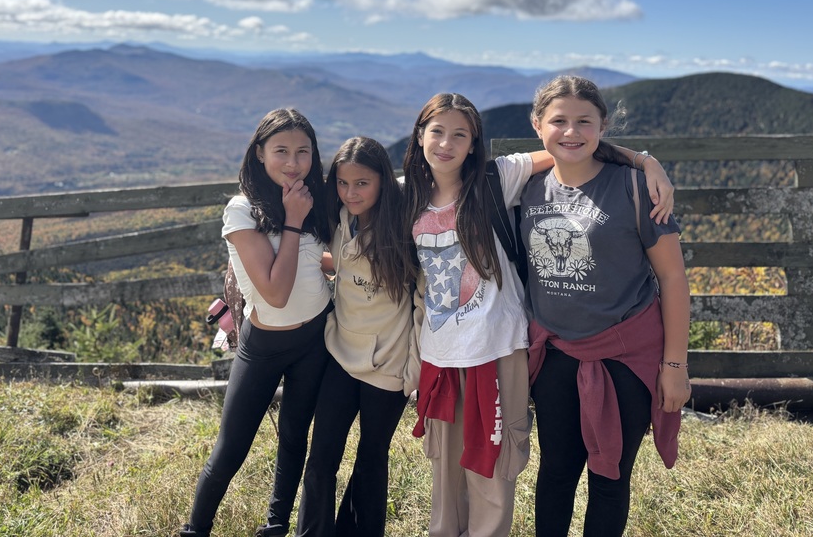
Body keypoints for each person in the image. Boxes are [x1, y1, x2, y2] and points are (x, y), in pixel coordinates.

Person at [401, 92, 673, 537]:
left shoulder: (497, 179)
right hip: (442, 353)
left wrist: (645, 161)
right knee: (448, 468)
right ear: (419, 135)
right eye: (436, 132)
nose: (446, 144)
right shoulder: (403, 195)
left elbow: (568, 144)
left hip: (498, 346)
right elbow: (355, 200)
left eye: (460, 135)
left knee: (495, 460)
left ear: (475, 143)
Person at [521, 76, 691, 537]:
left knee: (610, 476)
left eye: (584, 122)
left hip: (625, 356)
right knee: (555, 471)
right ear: (538, 125)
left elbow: (673, 278)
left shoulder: (637, 190)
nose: (571, 132)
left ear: (604, 127)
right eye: (558, 121)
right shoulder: (527, 190)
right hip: (555, 353)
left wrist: (674, 364)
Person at [179, 108, 333, 537]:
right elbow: (275, 292)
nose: (293, 162)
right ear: (260, 153)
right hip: (264, 343)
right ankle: (195, 529)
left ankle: (276, 526)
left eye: (303, 151)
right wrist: (294, 220)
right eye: (281, 150)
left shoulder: (312, 198)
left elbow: (307, 260)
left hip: (315, 337)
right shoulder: (242, 209)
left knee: (294, 437)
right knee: (231, 448)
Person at [295, 136, 419, 537]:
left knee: (370, 461)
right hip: (341, 352)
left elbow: (423, 299)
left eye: (362, 183)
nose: (351, 193)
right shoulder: (341, 218)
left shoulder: (404, 227)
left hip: (388, 362)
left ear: (384, 180)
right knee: (321, 459)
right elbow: (344, 260)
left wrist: (415, 368)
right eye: (344, 184)